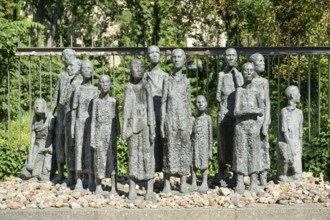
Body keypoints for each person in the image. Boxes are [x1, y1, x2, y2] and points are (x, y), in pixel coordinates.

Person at [122, 59, 156, 201]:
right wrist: (124, 129)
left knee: (148, 157)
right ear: (130, 69)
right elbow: (125, 111)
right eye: (135, 67)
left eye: (141, 67)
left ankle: (149, 189)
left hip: (146, 127)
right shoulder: (128, 87)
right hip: (132, 127)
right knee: (133, 157)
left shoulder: (147, 86)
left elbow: (150, 108)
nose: (138, 69)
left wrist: (152, 128)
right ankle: (131, 189)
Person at [161, 48, 192, 194]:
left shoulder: (186, 82)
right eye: (174, 57)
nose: (176, 59)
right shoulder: (167, 80)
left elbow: (188, 103)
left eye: (179, 57)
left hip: (184, 121)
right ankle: (166, 183)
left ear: (184, 60)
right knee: (169, 150)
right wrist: (162, 122)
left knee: (184, 151)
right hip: (170, 119)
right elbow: (163, 102)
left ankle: (183, 183)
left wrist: (190, 122)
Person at [50, 49, 81, 183]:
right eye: (64, 57)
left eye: (68, 56)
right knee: (60, 140)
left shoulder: (79, 78)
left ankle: (73, 174)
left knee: (72, 142)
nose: (65, 59)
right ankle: (60, 172)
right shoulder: (61, 76)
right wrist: (51, 112)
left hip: (73, 114)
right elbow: (55, 95)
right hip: (62, 113)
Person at [233, 62, 263, 194]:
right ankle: (240, 181)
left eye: (251, 70)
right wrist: (249, 111)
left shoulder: (256, 92)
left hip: (253, 127)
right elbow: (236, 112)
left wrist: (253, 112)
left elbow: (261, 110)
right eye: (246, 70)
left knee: (253, 153)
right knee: (240, 153)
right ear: (242, 73)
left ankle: (253, 182)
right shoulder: (239, 91)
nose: (249, 73)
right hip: (241, 127)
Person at [216, 48, 243, 182]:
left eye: (233, 55)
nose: (231, 57)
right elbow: (218, 96)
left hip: (236, 114)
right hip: (224, 111)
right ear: (224, 57)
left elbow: (242, 91)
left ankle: (236, 171)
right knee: (222, 142)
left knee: (235, 143)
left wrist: (237, 75)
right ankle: (221, 169)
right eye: (228, 55)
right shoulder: (222, 75)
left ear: (236, 57)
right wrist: (222, 111)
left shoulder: (239, 74)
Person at [91, 75, 120, 195]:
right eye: (102, 82)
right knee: (99, 159)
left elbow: (117, 119)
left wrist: (118, 132)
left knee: (112, 159)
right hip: (99, 133)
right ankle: (98, 185)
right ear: (99, 84)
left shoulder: (113, 101)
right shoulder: (96, 102)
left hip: (111, 134)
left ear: (110, 84)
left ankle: (114, 186)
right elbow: (93, 120)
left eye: (107, 82)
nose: (105, 84)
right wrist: (93, 137)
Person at [72, 60, 98, 191]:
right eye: (85, 68)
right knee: (79, 149)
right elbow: (74, 110)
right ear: (81, 71)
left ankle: (91, 178)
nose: (87, 70)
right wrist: (72, 127)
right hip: (79, 123)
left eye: (90, 68)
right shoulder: (78, 89)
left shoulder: (95, 90)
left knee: (90, 149)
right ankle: (78, 179)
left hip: (91, 124)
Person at [145, 45, 169, 172]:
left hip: (163, 113)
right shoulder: (145, 76)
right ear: (147, 56)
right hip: (150, 114)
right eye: (151, 52)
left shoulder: (166, 76)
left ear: (160, 55)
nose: (154, 55)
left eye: (156, 52)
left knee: (163, 143)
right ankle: (150, 171)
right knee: (150, 144)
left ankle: (163, 171)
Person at [248, 53, 271, 189]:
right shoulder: (246, 81)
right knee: (251, 148)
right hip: (250, 121)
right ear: (253, 64)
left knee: (263, 148)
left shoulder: (264, 82)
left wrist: (266, 121)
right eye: (260, 61)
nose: (263, 63)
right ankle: (252, 175)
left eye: (263, 60)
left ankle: (263, 176)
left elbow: (267, 102)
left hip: (261, 120)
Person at [22, 98, 54, 181]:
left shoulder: (51, 118)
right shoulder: (35, 118)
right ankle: (32, 174)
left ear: (44, 106)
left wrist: (47, 148)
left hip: (48, 144)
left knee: (46, 164)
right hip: (38, 143)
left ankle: (44, 173)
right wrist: (31, 154)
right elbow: (33, 138)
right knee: (32, 159)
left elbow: (53, 137)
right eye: (35, 104)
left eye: (39, 104)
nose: (36, 106)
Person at [277, 85, 303, 182]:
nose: (300, 95)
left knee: (297, 175)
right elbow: (284, 130)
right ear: (292, 95)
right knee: (286, 158)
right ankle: (283, 173)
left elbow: (300, 130)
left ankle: (294, 172)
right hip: (286, 141)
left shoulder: (299, 112)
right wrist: (290, 143)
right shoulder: (284, 111)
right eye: (298, 93)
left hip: (296, 142)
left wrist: (299, 143)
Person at [191, 95, 213, 192]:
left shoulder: (208, 118)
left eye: (203, 102)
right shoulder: (193, 118)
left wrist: (210, 149)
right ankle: (193, 182)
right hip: (195, 144)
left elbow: (210, 135)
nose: (200, 104)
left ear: (206, 104)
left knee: (204, 164)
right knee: (193, 163)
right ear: (195, 104)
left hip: (204, 144)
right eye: (198, 102)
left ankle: (204, 182)